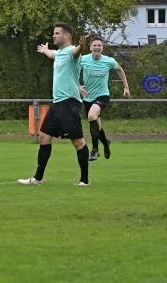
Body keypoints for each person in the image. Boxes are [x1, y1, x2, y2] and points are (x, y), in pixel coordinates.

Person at [18, 23, 90, 186]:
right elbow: (52, 54)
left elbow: (77, 52)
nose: (53, 35)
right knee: (44, 137)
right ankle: (37, 178)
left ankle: (84, 181)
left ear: (67, 36)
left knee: (78, 142)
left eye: (57, 33)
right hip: (57, 104)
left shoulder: (71, 51)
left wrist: (81, 46)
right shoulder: (59, 53)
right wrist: (45, 51)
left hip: (69, 104)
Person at [80, 37, 131, 161]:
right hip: (87, 97)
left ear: (102, 48)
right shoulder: (83, 59)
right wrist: (78, 86)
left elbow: (120, 69)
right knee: (97, 125)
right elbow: (71, 72)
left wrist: (126, 87)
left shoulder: (109, 61)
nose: (97, 47)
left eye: (99, 45)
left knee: (91, 116)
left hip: (102, 95)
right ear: (90, 48)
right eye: (94, 45)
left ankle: (95, 150)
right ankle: (106, 143)